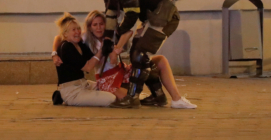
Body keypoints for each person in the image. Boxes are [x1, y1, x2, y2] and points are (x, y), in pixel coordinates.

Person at [88, 0, 187, 108]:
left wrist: (118, 34)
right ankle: (158, 97)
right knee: (137, 56)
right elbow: (110, 14)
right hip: (151, 16)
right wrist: (108, 39)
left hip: (164, 16)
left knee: (140, 54)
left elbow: (132, 16)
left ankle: (132, 97)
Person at [53, 10, 197, 109]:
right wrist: (54, 53)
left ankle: (176, 99)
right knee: (128, 102)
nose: (98, 27)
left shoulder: (110, 35)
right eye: (95, 25)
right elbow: (59, 37)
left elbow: (128, 32)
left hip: (121, 70)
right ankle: (154, 96)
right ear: (90, 27)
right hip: (106, 78)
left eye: (101, 24)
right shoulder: (85, 38)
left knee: (159, 61)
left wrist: (117, 48)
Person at [53, 12, 116, 107]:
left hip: (84, 84)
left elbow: (93, 59)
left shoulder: (79, 44)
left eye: (78, 28)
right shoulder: (66, 47)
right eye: (73, 30)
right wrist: (101, 50)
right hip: (72, 91)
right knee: (111, 99)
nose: (77, 32)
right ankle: (63, 96)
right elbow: (87, 67)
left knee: (112, 89)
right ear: (65, 33)